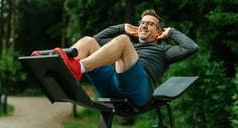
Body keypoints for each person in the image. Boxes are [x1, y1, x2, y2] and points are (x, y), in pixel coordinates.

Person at [34, 9, 199, 107]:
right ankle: (63, 68)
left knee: (122, 41)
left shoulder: (164, 51)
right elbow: (96, 41)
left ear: (158, 32)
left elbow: (191, 48)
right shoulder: (129, 46)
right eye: (142, 22)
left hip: (138, 91)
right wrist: (121, 28)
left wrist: (171, 32)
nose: (143, 25)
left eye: (150, 24)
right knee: (88, 40)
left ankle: (76, 68)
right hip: (113, 83)